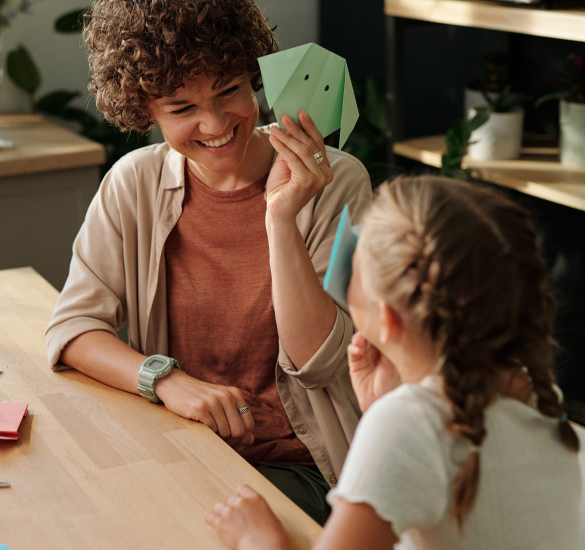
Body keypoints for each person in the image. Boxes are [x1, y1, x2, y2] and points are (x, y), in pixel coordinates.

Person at [44, 0, 372, 525]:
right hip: (182, 444)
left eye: (230, 91)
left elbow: (322, 363)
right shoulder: (134, 183)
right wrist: (165, 378)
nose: (216, 123)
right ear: (144, 110)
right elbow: (73, 329)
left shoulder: (336, 181)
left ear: (253, 78)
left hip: (304, 464)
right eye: (181, 109)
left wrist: (280, 218)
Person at [205, 175, 582, 550]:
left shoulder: (410, 423)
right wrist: (384, 408)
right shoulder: (535, 395)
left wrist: (261, 541)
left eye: (355, 262)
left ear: (386, 318)